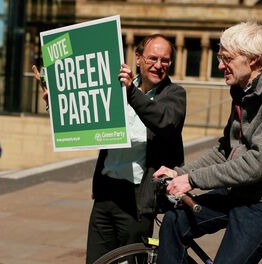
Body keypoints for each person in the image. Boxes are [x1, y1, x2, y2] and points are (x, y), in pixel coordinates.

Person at [152, 22, 262, 263]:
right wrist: (180, 173)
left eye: (227, 58)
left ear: (253, 60)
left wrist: (192, 180)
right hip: (240, 192)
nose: (219, 65)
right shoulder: (243, 91)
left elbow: (256, 164)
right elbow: (225, 149)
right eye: (219, 57)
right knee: (174, 221)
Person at [36, 34, 186, 263]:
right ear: (138, 58)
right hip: (106, 194)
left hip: (137, 199)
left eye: (165, 60)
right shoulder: (115, 88)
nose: (158, 65)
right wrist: (58, 107)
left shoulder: (174, 94)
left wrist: (131, 93)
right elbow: (88, 118)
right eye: (152, 58)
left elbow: (164, 122)